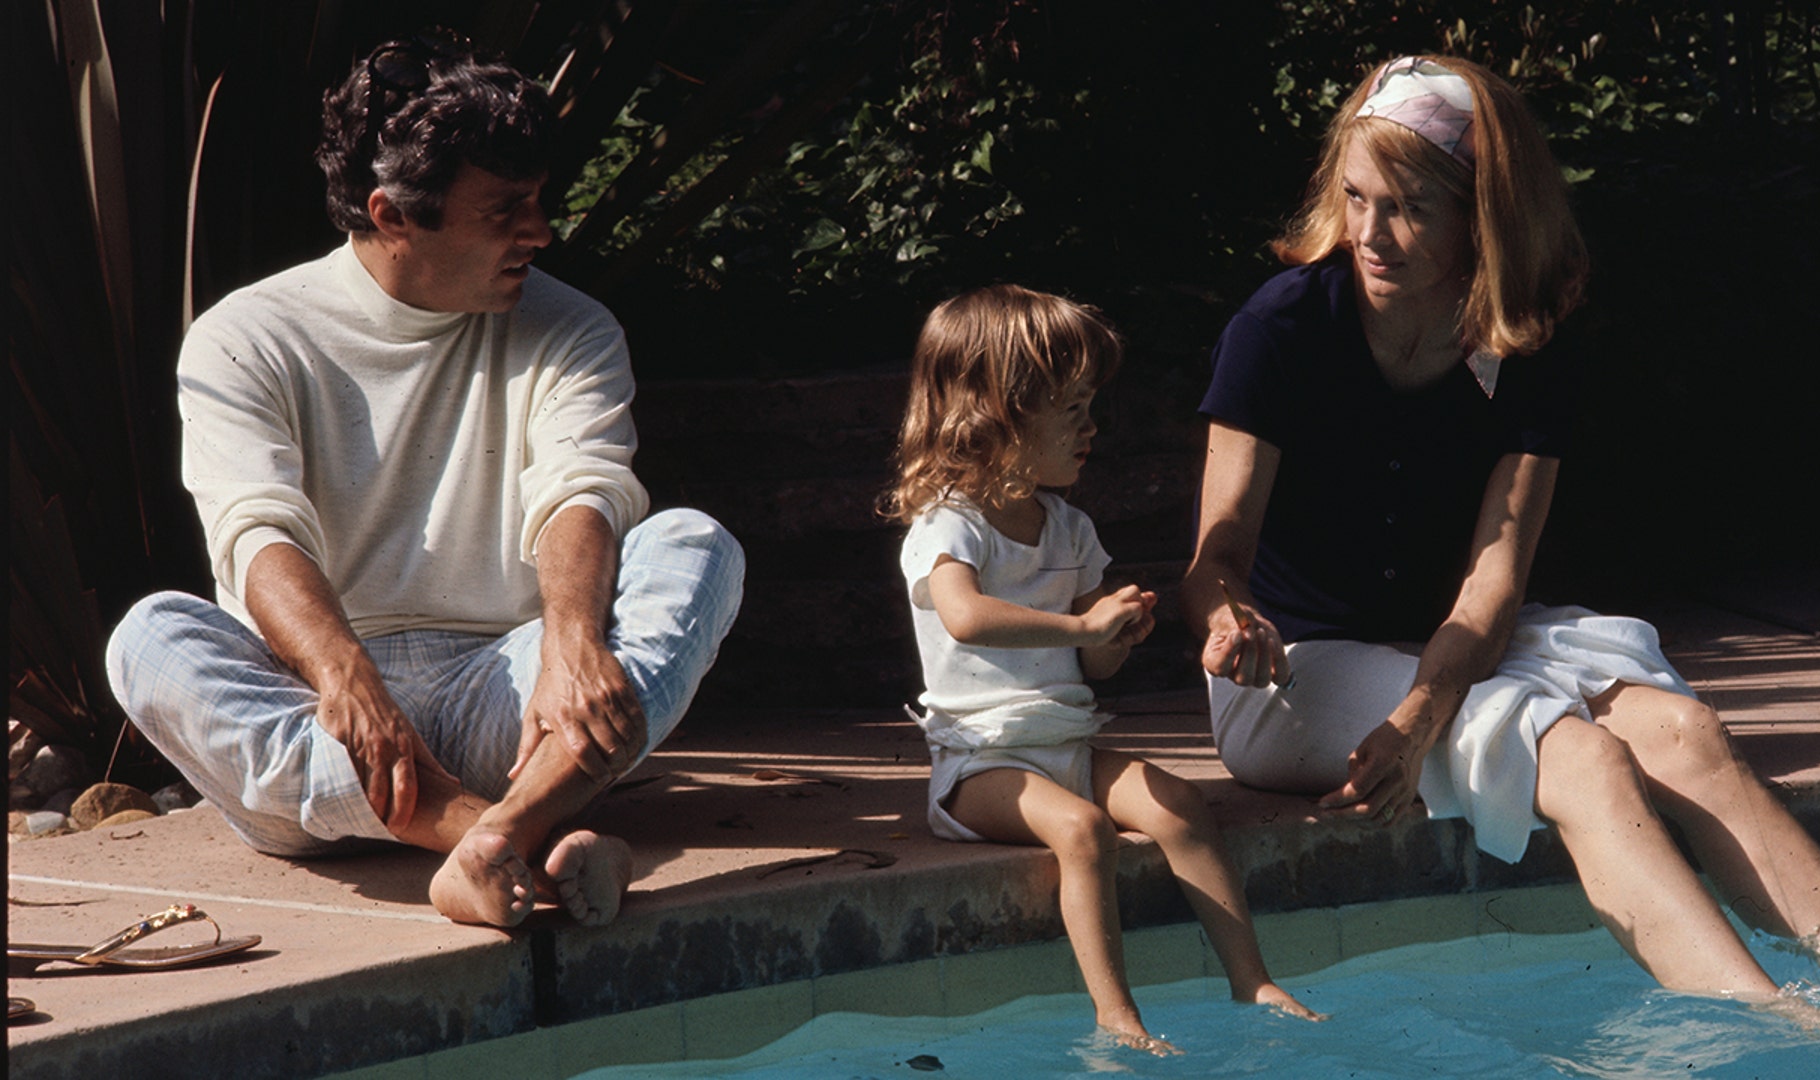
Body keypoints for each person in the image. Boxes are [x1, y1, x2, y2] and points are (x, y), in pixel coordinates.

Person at [1184, 55, 1820, 996]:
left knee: (1687, 733)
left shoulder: (1522, 343)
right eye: (1357, 197)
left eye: (1408, 208)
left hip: (1448, 651)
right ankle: (1787, 1032)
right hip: (1295, 673)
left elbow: (1494, 585)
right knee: (1578, 756)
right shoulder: (1278, 328)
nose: (1371, 234)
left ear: (1480, 213)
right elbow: (1218, 558)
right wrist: (1227, 620)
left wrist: (1417, 716)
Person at [105, 31, 744, 929]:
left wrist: (568, 639)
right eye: (504, 211)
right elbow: (257, 531)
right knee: (148, 637)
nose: (541, 230)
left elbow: (582, 487)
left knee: (693, 545)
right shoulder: (244, 336)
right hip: (320, 713)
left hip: (508, 695)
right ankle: (500, 837)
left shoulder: (574, 326)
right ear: (393, 215)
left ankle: (488, 839)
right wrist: (346, 676)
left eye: (538, 201)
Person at [887, 285, 1320, 1054]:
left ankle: (1252, 978)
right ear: (1001, 413)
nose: (1093, 428)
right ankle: (1116, 1015)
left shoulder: (1069, 526)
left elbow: (1092, 661)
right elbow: (965, 616)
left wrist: (1116, 634)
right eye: (1074, 410)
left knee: (1181, 802)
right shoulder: (948, 524)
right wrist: (1082, 620)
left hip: (1065, 747)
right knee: (1084, 831)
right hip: (980, 765)